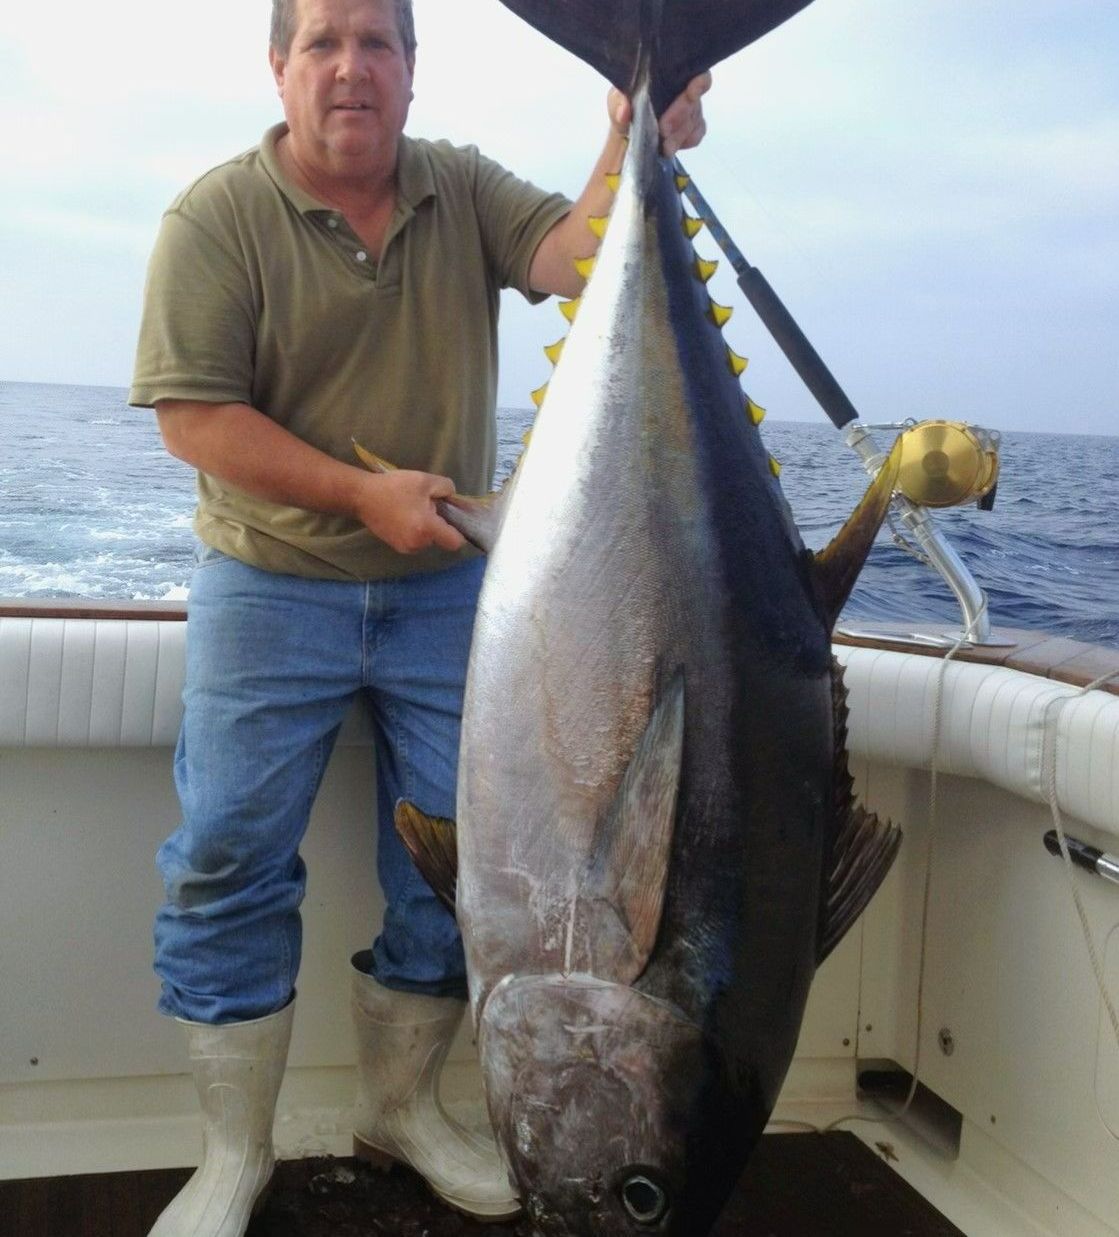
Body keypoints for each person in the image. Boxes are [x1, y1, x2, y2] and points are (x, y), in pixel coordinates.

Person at [130, 0, 709, 1232]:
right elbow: (195, 419)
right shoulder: (215, 217)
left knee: (469, 873)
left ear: (410, 69)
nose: (353, 69)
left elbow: (571, 258)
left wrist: (632, 135)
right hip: (267, 580)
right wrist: (357, 493)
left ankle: (402, 1107)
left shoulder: (457, 186)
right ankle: (234, 1151)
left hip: (450, 585)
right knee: (229, 851)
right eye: (325, 42)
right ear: (279, 66)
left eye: (378, 44)